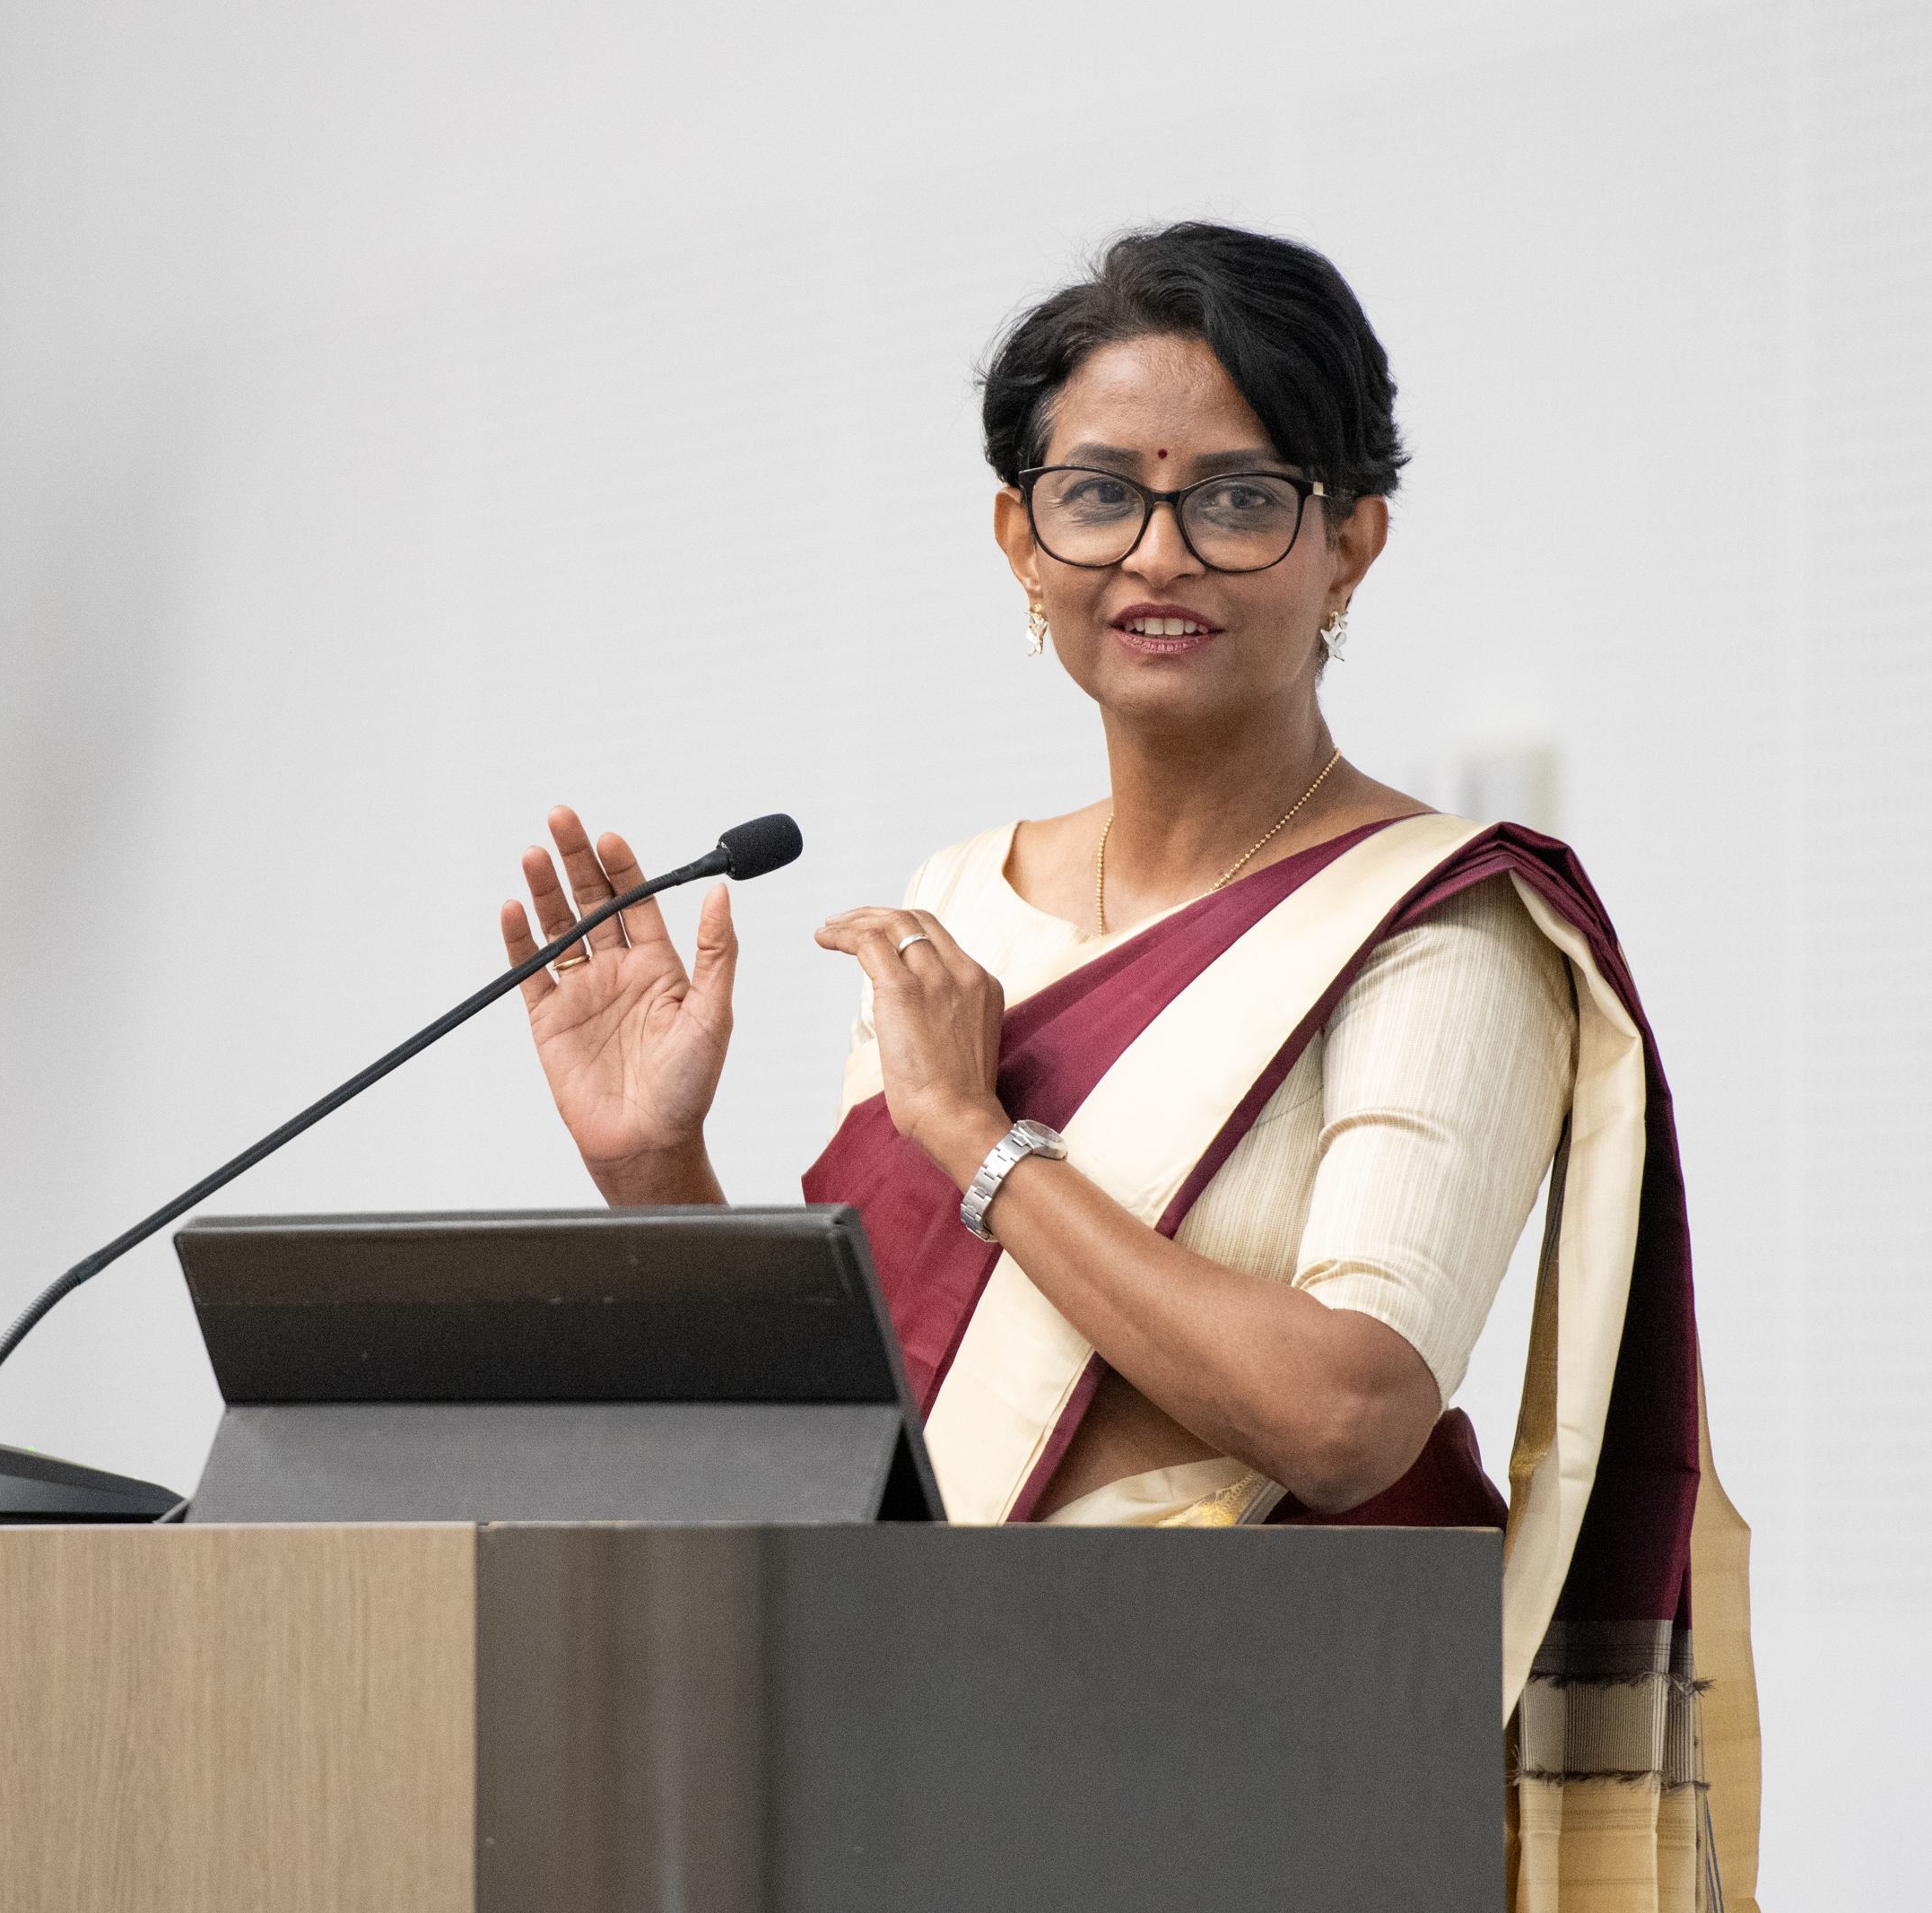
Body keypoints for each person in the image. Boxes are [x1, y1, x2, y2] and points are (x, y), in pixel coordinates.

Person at [498, 223, 1756, 1913]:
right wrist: (654, 1170)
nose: (1159, 553)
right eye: (1099, 494)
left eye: (1237, 497)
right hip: (922, 1745)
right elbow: (846, 1434)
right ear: (1021, 540)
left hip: (1267, 1770)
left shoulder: (1434, 926)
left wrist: (982, 1142)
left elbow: (1346, 1414)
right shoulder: (957, 905)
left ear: (1351, 541)